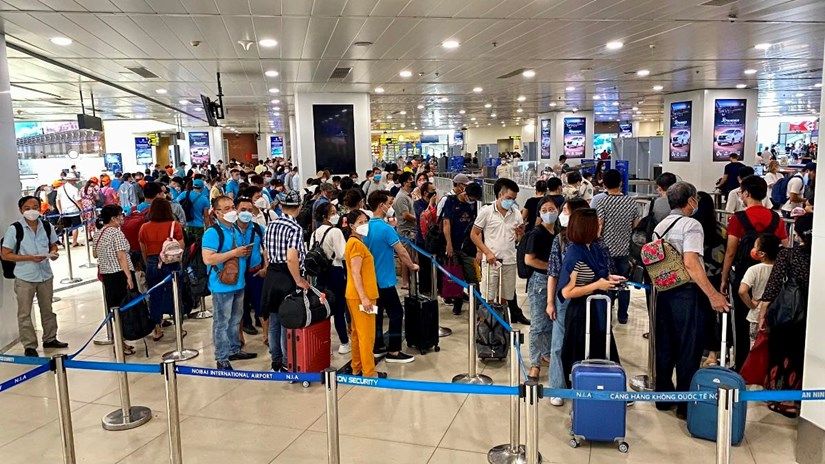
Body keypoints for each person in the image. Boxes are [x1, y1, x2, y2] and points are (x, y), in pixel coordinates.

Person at [653, 182, 729, 419]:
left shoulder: (660, 225)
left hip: (665, 291)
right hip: (688, 293)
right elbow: (691, 263)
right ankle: (685, 405)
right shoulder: (692, 225)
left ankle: (663, 398)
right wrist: (713, 294)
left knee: (666, 345)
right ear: (691, 201)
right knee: (688, 347)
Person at [720, 175, 787, 369]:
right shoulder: (776, 218)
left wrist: (724, 278)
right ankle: (766, 367)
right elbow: (785, 247)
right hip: (772, 278)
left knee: (741, 322)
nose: (741, 195)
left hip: (744, 277)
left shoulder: (738, 218)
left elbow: (730, 252)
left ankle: (742, 365)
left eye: (741, 192)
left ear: (747, 193)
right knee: (768, 321)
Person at [558, 208, 623, 381]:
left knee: (603, 352)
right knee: (582, 355)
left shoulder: (594, 248)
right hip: (582, 314)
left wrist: (608, 279)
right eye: (597, 223)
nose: (600, 226)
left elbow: (595, 275)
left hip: (598, 310)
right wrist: (597, 285)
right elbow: (567, 291)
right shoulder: (575, 253)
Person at [757, 213, 812, 418]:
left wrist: (762, 314)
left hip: (788, 315)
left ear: (798, 233)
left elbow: (773, 287)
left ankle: (781, 399)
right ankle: (799, 399)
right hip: (812, 317)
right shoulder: (819, 255)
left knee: (780, 354)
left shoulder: (787, 255)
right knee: (800, 357)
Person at [1, 196, 66, 357]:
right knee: (24, 313)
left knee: (48, 309)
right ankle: (29, 345)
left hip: (45, 275)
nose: (32, 211)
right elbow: (5, 254)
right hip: (25, 277)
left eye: (35, 207)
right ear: (21, 210)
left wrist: (53, 253)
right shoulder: (15, 229)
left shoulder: (46, 225)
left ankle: (50, 338)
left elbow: (53, 245)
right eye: (27, 208)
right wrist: (29, 258)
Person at [363, 190, 419, 363]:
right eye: (388, 204)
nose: (390, 206)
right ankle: (394, 351)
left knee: (377, 313)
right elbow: (401, 251)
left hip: (370, 280)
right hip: (385, 280)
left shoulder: (365, 228)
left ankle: (377, 346)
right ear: (381, 206)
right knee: (396, 313)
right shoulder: (386, 229)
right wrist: (412, 266)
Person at [202, 196, 256, 370]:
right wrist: (234, 253)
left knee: (235, 320)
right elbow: (208, 258)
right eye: (227, 209)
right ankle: (222, 356)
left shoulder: (235, 230)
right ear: (217, 213)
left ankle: (234, 349)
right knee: (222, 322)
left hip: (238, 283)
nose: (232, 211)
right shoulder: (212, 233)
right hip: (221, 285)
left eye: (232, 207)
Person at [545, 197, 589, 405]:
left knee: (587, 342)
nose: (561, 214)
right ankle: (557, 386)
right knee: (558, 343)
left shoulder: (595, 241)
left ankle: (584, 383)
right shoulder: (560, 239)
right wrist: (550, 301)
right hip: (564, 299)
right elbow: (553, 272)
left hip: (589, 298)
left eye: (565, 210)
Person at [261, 190, 309, 372]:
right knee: (286, 321)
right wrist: (298, 280)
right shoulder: (295, 228)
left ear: (281, 206)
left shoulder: (271, 225)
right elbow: (291, 257)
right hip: (287, 276)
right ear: (299, 207)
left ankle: (276, 360)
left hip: (272, 274)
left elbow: (266, 251)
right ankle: (288, 362)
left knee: (274, 320)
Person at [471, 178, 530, 325]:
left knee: (505, 297)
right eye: (509, 198)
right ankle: (486, 326)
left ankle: (500, 327)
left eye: (514, 199)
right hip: (491, 262)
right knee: (489, 296)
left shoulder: (516, 214)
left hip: (509, 261)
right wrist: (486, 252)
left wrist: (520, 234)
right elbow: (474, 234)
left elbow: (518, 239)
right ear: (500, 195)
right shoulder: (486, 211)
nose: (511, 202)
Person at [591, 169, 640, 324]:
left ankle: (607, 313)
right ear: (621, 183)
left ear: (604, 184)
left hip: (606, 251)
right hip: (625, 250)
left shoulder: (601, 202)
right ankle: (623, 315)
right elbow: (635, 226)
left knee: (607, 282)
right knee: (624, 283)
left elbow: (599, 227)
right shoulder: (631, 202)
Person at [137, 199, 185, 341]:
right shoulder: (174, 225)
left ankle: (157, 327)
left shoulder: (144, 227)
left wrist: (148, 263)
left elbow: (143, 249)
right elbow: (181, 246)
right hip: (171, 264)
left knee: (154, 296)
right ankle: (178, 326)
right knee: (175, 294)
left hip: (152, 263)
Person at [93, 204, 136, 355]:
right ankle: (120, 343)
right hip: (119, 274)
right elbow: (121, 256)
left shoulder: (98, 233)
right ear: (113, 218)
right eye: (120, 215)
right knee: (124, 309)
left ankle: (120, 342)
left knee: (114, 308)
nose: (122, 218)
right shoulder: (116, 233)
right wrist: (128, 276)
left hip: (107, 275)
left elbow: (95, 254)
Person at [524, 197, 559, 381]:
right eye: (544, 210)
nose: (548, 213)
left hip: (556, 281)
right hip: (539, 281)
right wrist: (552, 268)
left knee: (551, 321)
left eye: (551, 209)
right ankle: (535, 363)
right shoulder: (536, 233)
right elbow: (529, 260)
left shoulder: (559, 233)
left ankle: (546, 353)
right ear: (539, 213)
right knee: (538, 324)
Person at [312, 202, 350, 353]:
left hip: (320, 273)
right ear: (325, 216)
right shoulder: (335, 231)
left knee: (324, 308)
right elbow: (342, 254)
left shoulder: (315, 233)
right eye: (333, 213)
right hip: (335, 271)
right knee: (339, 308)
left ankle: (323, 343)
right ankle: (344, 342)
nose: (336, 215)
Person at [442, 182, 482, 315]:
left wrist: (479, 249)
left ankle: (477, 304)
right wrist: (448, 243)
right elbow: (446, 223)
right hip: (454, 245)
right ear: (465, 193)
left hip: (469, 247)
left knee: (473, 277)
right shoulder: (451, 201)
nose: (472, 201)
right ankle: (457, 303)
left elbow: (478, 227)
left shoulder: (474, 205)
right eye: (471, 198)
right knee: (456, 275)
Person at [235, 196, 267, 346]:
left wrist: (266, 267)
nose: (246, 213)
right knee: (239, 308)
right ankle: (239, 337)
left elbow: (266, 249)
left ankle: (266, 335)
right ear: (236, 210)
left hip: (256, 273)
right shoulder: (230, 229)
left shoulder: (258, 229)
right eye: (243, 209)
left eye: (249, 210)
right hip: (236, 275)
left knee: (261, 305)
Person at [738, 233, 780, 347]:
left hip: (757, 315)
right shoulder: (781, 268)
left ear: (761, 253)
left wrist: (751, 305)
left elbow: (742, 291)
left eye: (755, 246)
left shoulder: (754, 270)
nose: (753, 249)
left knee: (755, 347)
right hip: (777, 314)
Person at [393, 172, 417, 289]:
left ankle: (411, 280)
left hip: (411, 230)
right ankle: (405, 282)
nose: (412, 181)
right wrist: (419, 218)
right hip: (405, 231)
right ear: (404, 182)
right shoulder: (402, 197)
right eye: (410, 180)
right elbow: (405, 215)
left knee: (411, 257)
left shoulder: (408, 195)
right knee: (406, 257)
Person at [177, 178, 211, 243]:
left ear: (193, 186)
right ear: (202, 188)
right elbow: (206, 216)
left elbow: (176, 205)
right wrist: (207, 229)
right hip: (199, 226)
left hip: (186, 225)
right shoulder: (204, 199)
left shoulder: (184, 194)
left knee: (188, 245)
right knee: (197, 246)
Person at [56, 172, 82, 247]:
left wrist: (60, 211)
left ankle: (65, 242)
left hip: (64, 211)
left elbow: (57, 200)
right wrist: (81, 209)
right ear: (72, 180)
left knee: (66, 228)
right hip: (74, 210)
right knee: (75, 227)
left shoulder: (60, 189)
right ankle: (74, 242)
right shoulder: (75, 189)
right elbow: (78, 201)